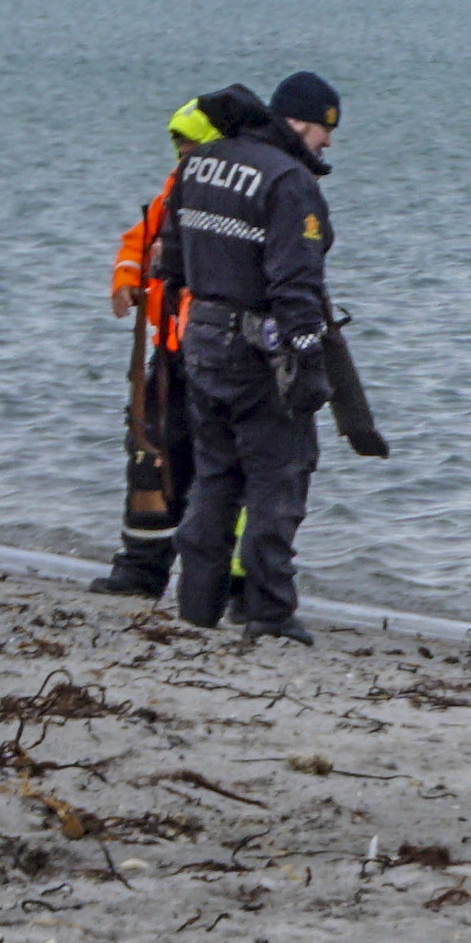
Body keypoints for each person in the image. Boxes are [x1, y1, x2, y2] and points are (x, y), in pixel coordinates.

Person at [163, 67, 342, 637]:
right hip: (257, 350)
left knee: (215, 473)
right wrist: (310, 361)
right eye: (323, 129)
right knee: (279, 473)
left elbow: (170, 259)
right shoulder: (290, 181)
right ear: (297, 122)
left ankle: (197, 604)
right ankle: (267, 610)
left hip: (201, 340)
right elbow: (295, 283)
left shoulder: (199, 165)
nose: (328, 143)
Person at [96, 86, 249, 597]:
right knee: (150, 457)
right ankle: (141, 570)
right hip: (170, 351)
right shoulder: (175, 187)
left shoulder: (233, 191)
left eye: (190, 144)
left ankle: (226, 582)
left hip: (214, 351)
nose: (182, 153)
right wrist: (125, 279)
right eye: (177, 144)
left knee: (218, 466)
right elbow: (138, 239)